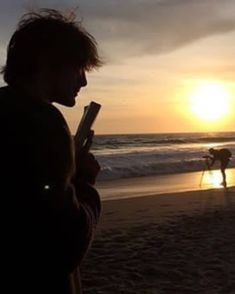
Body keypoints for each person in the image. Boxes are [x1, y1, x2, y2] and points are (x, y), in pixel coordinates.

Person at [0, 9, 102, 294]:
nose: (83, 81)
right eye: (78, 67)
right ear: (48, 62)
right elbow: (66, 244)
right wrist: (84, 183)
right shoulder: (43, 121)